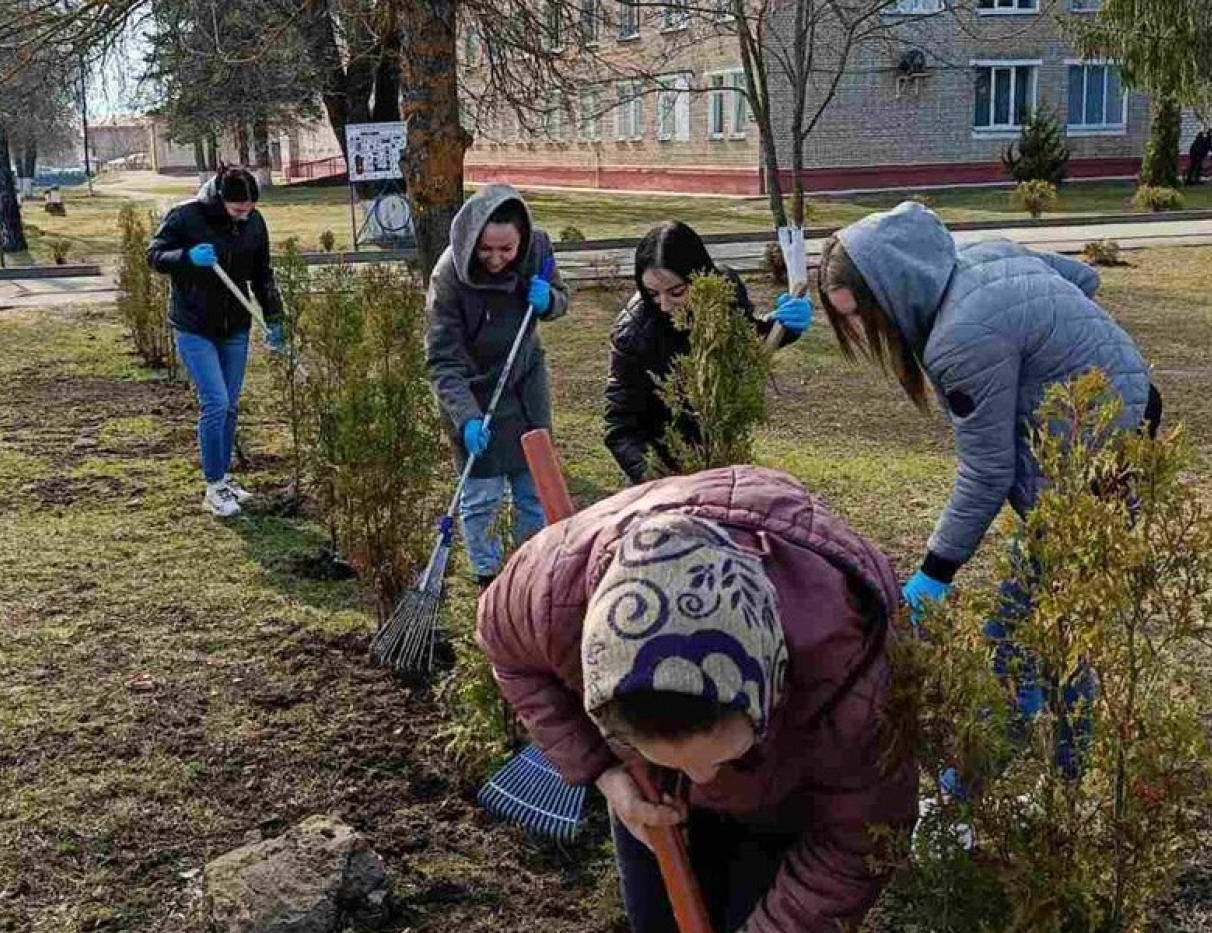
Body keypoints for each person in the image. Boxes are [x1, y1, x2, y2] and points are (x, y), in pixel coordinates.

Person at [477, 467, 918, 933]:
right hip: (651, 784)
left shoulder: (852, 682)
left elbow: (856, 842)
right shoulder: (552, 591)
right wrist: (607, 774)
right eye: (674, 757)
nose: (703, 777)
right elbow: (507, 653)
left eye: (720, 754)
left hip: (786, 779)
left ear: (771, 690)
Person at [816, 201, 1159, 777]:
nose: (856, 331)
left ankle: (976, 790)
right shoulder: (983, 252)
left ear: (895, 290)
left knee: (1016, 638)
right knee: (1057, 620)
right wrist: (1064, 364)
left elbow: (987, 472)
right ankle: (1067, 776)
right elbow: (1082, 280)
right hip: (1133, 421)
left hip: (1097, 471)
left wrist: (934, 573)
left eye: (858, 315)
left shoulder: (959, 340)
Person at [425, 184, 567, 589]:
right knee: (482, 494)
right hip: (473, 390)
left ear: (521, 240)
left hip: (525, 385)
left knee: (532, 487)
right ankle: (488, 576)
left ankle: (531, 570)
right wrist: (466, 418)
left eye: (506, 249)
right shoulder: (448, 276)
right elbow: (442, 360)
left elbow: (561, 298)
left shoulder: (538, 249)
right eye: (486, 249)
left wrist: (549, 301)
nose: (496, 258)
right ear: (472, 240)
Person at [604, 221, 813, 484]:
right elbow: (620, 428)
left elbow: (745, 343)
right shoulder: (633, 333)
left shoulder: (724, 290)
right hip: (657, 466)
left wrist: (784, 326)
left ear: (700, 276)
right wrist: (659, 480)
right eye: (652, 294)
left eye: (677, 292)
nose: (664, 305)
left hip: (719, 450)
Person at [148, 166, 285, 518]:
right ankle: (212, 487)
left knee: (231, 405)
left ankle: (224, 478)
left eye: (250, 209)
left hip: (235, 327)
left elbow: (262, 274)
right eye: (238, 209)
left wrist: (275, 318)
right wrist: (186, 258)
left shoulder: (254, 223)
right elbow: (155, 256)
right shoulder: (186, 217)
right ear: (220, 198)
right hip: (194, 326)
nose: (244, 216)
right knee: (216, 402)